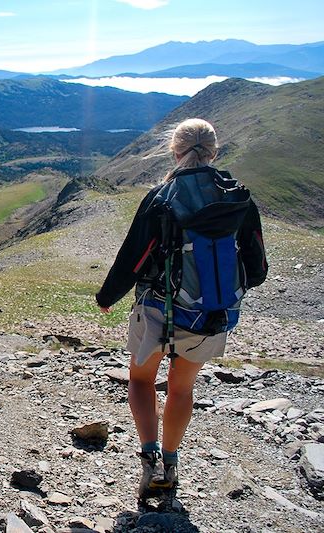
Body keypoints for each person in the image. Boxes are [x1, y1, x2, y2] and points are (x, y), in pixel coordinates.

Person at [95, 118, 268, 503]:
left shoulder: (162, 195)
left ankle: (149, 457)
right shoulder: (239, 199)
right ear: (215, 152)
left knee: (141, 381)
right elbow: (257, 267)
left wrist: (107, 297)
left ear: (174, 150)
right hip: (208, 314)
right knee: (182, 387)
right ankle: (171, 463)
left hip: (158, 306)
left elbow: (133, 258)